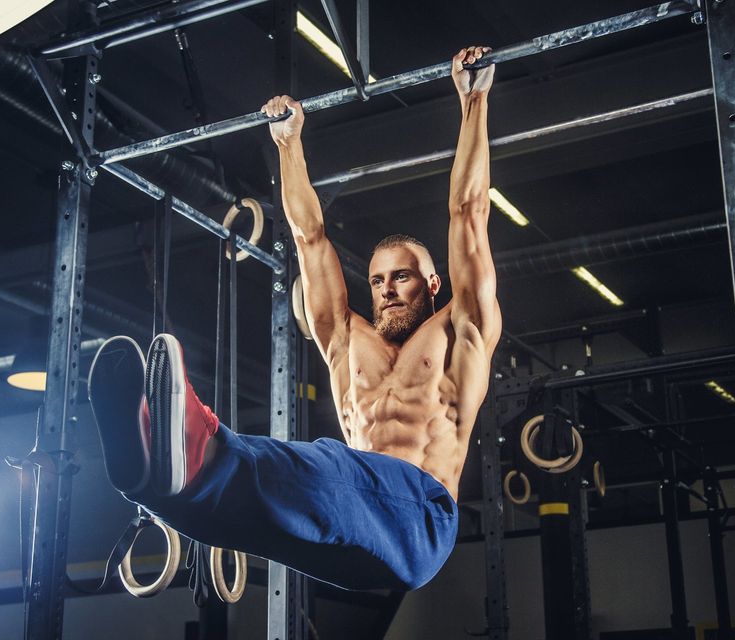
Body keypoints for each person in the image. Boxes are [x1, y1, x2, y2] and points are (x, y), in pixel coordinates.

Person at [88, 46, 501, 591]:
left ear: (433, 284)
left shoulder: (460, 331)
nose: (387, 289)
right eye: (378, 280)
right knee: (257, 521)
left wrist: (473, 101)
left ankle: (204, 449)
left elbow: (468, 211)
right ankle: (157, 486)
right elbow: (309, 236)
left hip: (419, 522)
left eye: (401, 276)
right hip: (346, 530)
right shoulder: (346, 341)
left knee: (325, 465)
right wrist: (288, 143)